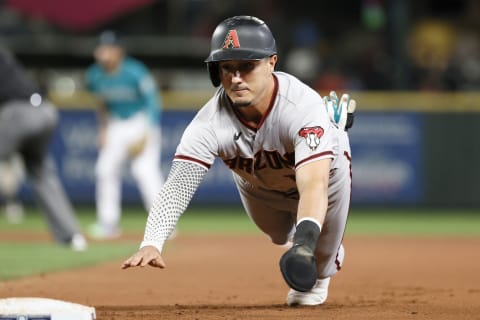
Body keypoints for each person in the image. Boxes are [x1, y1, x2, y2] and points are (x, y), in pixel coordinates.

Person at [122, 15, 356, 306]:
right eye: (227, 68)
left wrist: (306, 244)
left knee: (312, 271)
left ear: (271, 63)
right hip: (258, 185)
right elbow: (178, 185)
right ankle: (310, 236)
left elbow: (314, 184)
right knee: (276, 234)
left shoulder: (300, 107)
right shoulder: (208, 123)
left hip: (325, 174)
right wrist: (152, 241)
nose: (235, 78)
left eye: (247, 66)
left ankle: (322, 252)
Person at [0, 46, 87, 251]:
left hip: (19, 113)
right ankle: (72, 236)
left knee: (39, 173)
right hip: (45, 111)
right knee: (41, 174)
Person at [85, 31, 164, 239]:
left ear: (118, 51)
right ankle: (108, 223)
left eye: (108, 48)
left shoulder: (135, 71)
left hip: (141, 121)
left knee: (145, 172)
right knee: (104, 170)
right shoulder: (93, 75)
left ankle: (164, 224)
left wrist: (147, 133)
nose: (103, 52)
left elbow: (153, 102)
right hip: (115, 125)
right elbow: (101, 104)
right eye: (101, 47)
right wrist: (103, 130)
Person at [0, 153, 25, 224]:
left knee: (11, 189)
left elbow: (19, 170)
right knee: (8, 189)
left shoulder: (16, 157)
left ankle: (13, 210)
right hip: (6, 171)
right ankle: (11, 209)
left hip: (13, 173)